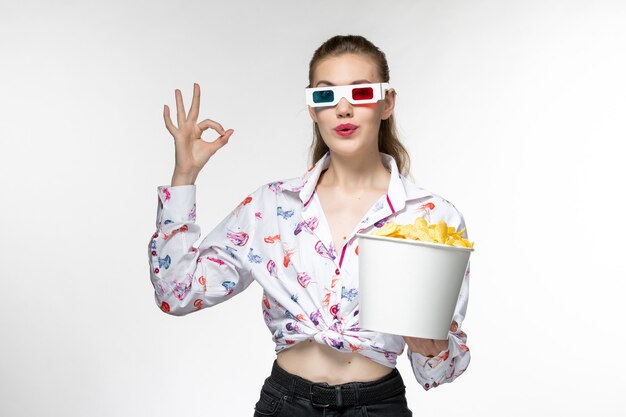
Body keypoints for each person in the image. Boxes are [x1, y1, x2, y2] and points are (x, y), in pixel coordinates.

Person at [148, 34, 471, 416]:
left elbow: (439, 370)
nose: (344, 108)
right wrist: (184, 175)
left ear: (386, 103)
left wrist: (429, 346)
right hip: (287, 405)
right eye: (325, 95)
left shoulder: (430, 217)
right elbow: (177, 293)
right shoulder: (271, 205)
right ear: (312, 111)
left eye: (361, 93)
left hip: (378, 407)